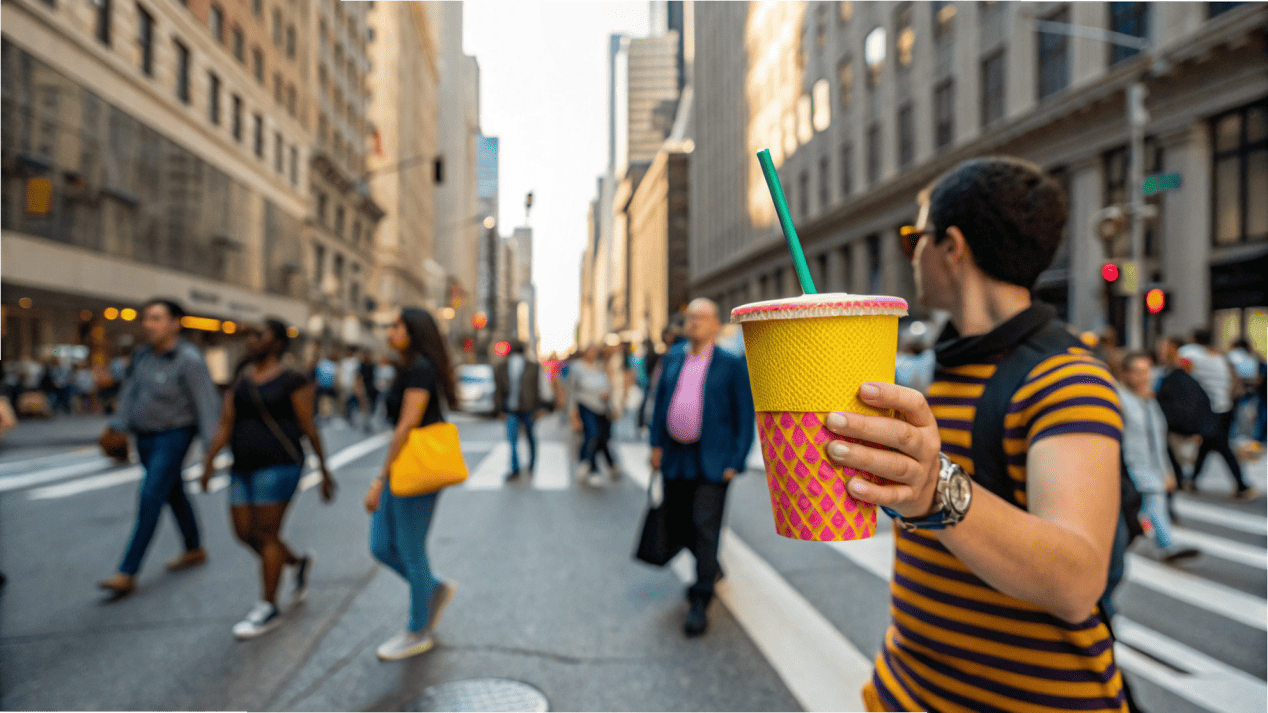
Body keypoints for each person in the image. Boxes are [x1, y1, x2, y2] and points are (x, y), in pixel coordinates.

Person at [818, 158, 1129, 711]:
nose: (911, 253)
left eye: (916, 237)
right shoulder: (940, 369)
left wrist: (936, 490)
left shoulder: (1066, 377)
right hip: (905, 691)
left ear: (952, 247)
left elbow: (1078, 580)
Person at [200, 319, 336, 639]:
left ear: (276, 342)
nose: (251, 340)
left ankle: (268, 605)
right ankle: (297, 562)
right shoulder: (242, 378)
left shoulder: (293, 379)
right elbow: (226, 422)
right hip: (241, 466)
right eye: (249, 334)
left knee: (267, 533)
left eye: (258, 334)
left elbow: (307, 424)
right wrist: (208, 462)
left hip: (280, 465)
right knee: (244, 533)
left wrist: (324, 470)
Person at [97, 299, 222, 598]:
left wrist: (210, 450)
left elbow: (207, 405)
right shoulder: (142, 357)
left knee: (151, 495)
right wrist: (118, 425)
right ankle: (194, 547)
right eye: (146, 318)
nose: (148, 324)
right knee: (173, 491)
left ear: (174, 323)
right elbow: (130, 394)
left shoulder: (189, 359)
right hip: (144, 437)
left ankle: (127, 571)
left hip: (174, 435)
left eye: (156, 318)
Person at [649, 298, 755, 638]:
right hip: (676, 456)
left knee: (705, 526)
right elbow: (660, 403)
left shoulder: (731, 363)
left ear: (715, 324)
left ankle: (701, 598)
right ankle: (711, 568)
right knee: (679, 523)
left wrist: (736, 461)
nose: (693, 323)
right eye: (690, 317)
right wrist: (655, 444)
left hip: (713, 459)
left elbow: (744, 416)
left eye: (701, 317)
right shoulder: (674, 357)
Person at [363, 308, 459, 661]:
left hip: (415, 468)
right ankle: (432, 589)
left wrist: (378, 480)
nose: (391, 331)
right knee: (381, 545)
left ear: (414, 331)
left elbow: (406, 426)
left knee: (410, 549)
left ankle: (418, 630)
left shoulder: (420, 368)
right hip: (403, 466)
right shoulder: (406, 367)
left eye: (397, 325)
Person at [1117, 351, 1200, 564]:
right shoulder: (1119, 400)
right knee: (1135, 519)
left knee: (1153, 509)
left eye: (1146, 371)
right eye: (1137, 372)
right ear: (1126, 374)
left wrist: (1166, 471)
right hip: (1129, 472)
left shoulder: (1150, 402)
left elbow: (1158, 440)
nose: (1144, 377)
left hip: (1151, 471)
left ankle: (1165, 545)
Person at [1179, 330, 1254, 498]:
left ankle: (1242, 485)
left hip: (1210, 408)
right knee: (1208, 445)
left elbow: (1181, 370)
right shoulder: (1217, 355)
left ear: (1193, 339)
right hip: (1224, 405)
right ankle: (1192, 481)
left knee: (1221, 445)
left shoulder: (1191, 352)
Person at [493, 340, 541, 482]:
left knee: (528, 437)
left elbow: (537, 389)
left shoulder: (533, 366)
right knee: (514, 439)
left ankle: (530, 464)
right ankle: (516, 468)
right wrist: (499, 409)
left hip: (527, 408)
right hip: (512, 408)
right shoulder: (502, 367)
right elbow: (499, 391)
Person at [568, 344, 617, 482]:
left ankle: (596, 463)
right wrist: (572, 412)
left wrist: (610, 399)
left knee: (602, 437)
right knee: (592, 434)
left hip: (602, 407)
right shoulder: (576, 367)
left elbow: (608, 384)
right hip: (585, 405)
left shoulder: (600, 366)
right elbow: (572, 390)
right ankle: (590, 465)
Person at [1227, 338, 1266, 445]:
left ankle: (1250, 442)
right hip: (1250, 394)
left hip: (1249, 394)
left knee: (1246, 420)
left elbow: (1258, 379)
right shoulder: (1254, 359)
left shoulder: (1249, 359)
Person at [358, 349, 380, 432]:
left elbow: (376, 376)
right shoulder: (362, 365)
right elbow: (359, 377)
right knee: (365, 407)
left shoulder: (373, 365)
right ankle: (367, 423)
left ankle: (370, 422)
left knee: (372, 407)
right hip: (365, 388)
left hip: (372, 388)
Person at [313, 351, 338, 421]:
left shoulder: (321, 363)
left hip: (322, 386)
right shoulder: (334, 365)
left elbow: (317, 375)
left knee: (321, 401)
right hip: (328, 387)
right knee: (327, 402)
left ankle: (321, 416)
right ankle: (326, 416)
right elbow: (335, 377)